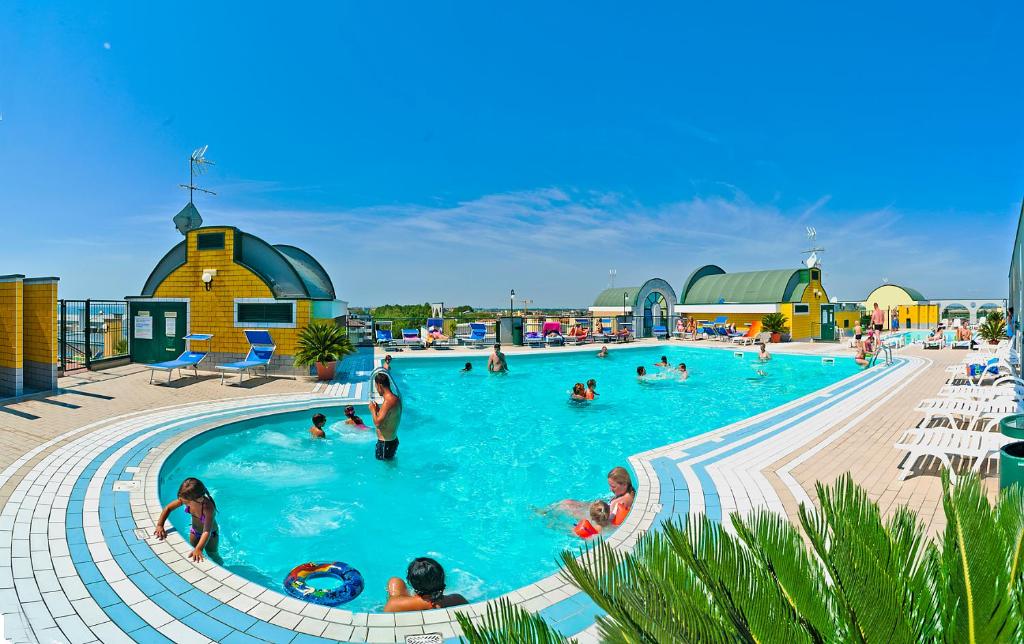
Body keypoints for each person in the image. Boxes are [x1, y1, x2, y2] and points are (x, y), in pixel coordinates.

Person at [154, 478, 220, 563]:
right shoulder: (186, 498)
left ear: (199, 498)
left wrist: (199, 549)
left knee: (212, 554)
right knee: (192, 551)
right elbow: (168, 508)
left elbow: (207, 531)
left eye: (186, 502)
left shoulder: (208, 508)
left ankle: (220, 565)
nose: (183, 503)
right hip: (194, 532)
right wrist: (160, 525)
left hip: (211, 535)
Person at [384, 558, 468, 613]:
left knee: (394, 581)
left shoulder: (393, 605)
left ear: (412, 583)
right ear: (442, 579)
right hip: (439, 601)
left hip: (407, 604)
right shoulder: (458, 600)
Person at [369, 372, 402, 461]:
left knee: (384, 472)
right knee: (389, 467)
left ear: (379, 385)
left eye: (376, 387)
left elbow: (377, 424)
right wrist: (377, 411)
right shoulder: (395, 398)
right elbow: (388, 418)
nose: (377, 389)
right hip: (391, 440)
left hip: (385, 444)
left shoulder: (388, 401)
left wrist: (372, 409)